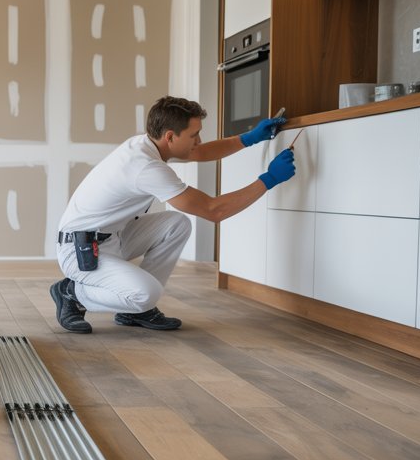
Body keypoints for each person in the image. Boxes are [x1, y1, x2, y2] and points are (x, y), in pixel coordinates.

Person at [50, 96, 294, 333]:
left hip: (110, 238)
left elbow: (198, 153)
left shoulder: (146, 145)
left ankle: (136, 312)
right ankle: (71, 293)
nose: (198, 140)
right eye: (194, 135)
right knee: (145, 294)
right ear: (170, 136)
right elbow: (214, 210)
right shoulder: (146, 167)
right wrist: (269, 179)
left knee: (177, 224)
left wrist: (250, 138)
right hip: (81, 251)